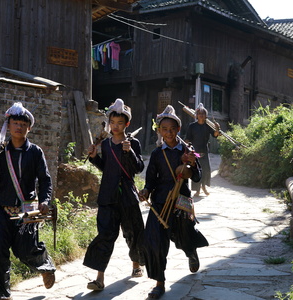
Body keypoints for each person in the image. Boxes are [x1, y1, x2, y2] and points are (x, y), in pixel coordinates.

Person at [0, 102, 56, 300]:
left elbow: (46, 179)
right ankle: (0, 295)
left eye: (23, 124)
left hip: (27, 208)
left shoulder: (35, 152)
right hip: (3, 208)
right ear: (9, 126)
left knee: (26, 250)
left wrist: (46, 200)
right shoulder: (1, 151)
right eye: (15, 123)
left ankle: (45, 265)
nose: (18, 127)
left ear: (29, 128)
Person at [139, 105, 209, 299]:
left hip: (181, 201)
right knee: (155, 240)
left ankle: (191, 251)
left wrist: (192, 164)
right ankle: (159, 283)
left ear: (178, 129)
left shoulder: (188, 150)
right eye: (164, 129)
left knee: (184, 235)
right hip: (160, 202)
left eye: (172, 129)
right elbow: (150, 180)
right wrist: (145, 191)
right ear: (159, 131)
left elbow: (197, 178)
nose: (168, 133)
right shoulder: (156, 154)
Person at [83, 98, 145, 291]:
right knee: (105, 235)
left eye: (120, 123)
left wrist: (130, 153)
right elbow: (106, 168)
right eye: (113, 123)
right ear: (109, 123)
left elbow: (138, 168)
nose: (115, 126)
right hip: (107, 196)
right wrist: (94, 158)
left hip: (127, 196)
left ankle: (136, 265)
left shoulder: (132, 143)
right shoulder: (107, 144)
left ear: (127, 124)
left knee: (133, 232)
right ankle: (99, 278)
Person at [185, 103, 220, 196]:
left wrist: (217, 128)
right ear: (196, 115)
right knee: (196, 170)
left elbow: (215, 134)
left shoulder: (208, 126)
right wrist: (186, 145)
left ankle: (203, 187)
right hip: (195, 152)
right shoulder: (192, 126)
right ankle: (197, 190)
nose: (201, 115)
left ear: (206, 116)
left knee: (206, 170)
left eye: (203, 113)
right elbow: (187, 138)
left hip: (204, 152)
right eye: (199, 113)